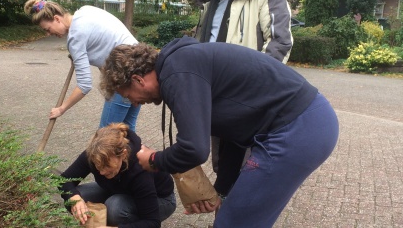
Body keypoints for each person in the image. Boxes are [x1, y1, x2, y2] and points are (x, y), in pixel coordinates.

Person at [99, 37, 339, 227]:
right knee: (235, 215)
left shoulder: (177, 73)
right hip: (306, 123)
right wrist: (221, 192)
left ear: (138, 79)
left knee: (235, 222)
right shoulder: (182, 65)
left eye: (128, 95)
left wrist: (154, 160)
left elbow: (194, 149)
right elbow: (232, 133)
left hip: (297, 128)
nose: (133, 103)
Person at [193, 0, 294, 178]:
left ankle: (243, 204)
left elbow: (280, 42)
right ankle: (226, 201)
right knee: (222, 162)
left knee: (249, 163)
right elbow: (203, 43)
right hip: (216, 92)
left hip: (249, 93)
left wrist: (255, 86)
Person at [23, 0, 140, 131]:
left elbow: (84, 85)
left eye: (48, 29)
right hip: (139, 70)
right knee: (129, 131)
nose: (49, 34)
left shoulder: (75, 38)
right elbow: (106, 49)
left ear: (56, 19)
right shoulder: (85, 11)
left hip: (124, 79)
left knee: (106, 134)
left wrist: (61, 109)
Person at [59, 123, 176, 228]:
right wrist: (74, 198)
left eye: (107, 167)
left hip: (161, 199)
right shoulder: (93, 154)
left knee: (115, 207)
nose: (102, 173)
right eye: (98, 167)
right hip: (120, 188)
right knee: (77, 196)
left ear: (123, 154)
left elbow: (153, 223)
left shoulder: (140, 170)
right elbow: (64, 180)